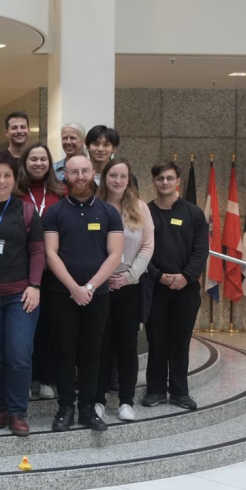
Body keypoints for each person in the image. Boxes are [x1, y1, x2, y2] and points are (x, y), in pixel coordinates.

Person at [42, 155, 123, 433]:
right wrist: (73, 288)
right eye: (73, 171)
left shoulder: (109, 212)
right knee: (64, 351)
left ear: (92, 174)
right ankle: (66, 407)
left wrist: (88, 287)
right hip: (61, 294)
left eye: (84, 171)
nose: (79, 176)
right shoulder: (54, 212)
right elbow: (51, 253)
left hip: (97, 295)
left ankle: (88, 408)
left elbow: (115, 255)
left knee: (92, 352)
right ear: (65, 175)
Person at [0, 150, 44, 436]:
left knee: (18, 354)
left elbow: (38, 250)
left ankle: (17, 411)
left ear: (15, 179)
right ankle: (1, 407)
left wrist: (35, 285)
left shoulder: (26, 210)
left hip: (21, 294)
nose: (1, 180)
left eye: (7, 175)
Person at [143, 160, 208, 411]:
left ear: (178, 181)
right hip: (155, 289)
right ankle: (155, 390)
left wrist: (185, 277)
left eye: (170, 178)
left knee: (180, 342)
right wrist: (158, 276)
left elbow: (201, 251)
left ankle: (180, 392)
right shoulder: (145, 212)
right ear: (154, 182)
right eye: (160, 178)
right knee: (157, 341)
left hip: (186, 289)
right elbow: (141, 251)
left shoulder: (193, 213)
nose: (165, 183)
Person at [94, 157, 154, 423]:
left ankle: (126, 401)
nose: (117, 181)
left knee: (127, 346)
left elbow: (148, 247)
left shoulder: (140, 208)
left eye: (122, 176)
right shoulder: (94, 206)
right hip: (99, 288)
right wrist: (100, 279)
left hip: (129, 286)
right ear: (105, 177)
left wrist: (129, 276)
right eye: (112, 175)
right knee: (99, 345)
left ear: (128, 179)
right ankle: (96, 399)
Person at [17, 142, 64, 400]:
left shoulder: (61, 192)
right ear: (24, 163)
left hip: (55, 271)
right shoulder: (15, 192)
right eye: (33, 159)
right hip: (23, 269)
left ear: (50, 163)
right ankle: (26, 377)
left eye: (43, 159)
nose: (38, 163)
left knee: (49, 326)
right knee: (25, 327)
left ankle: (47, 379)